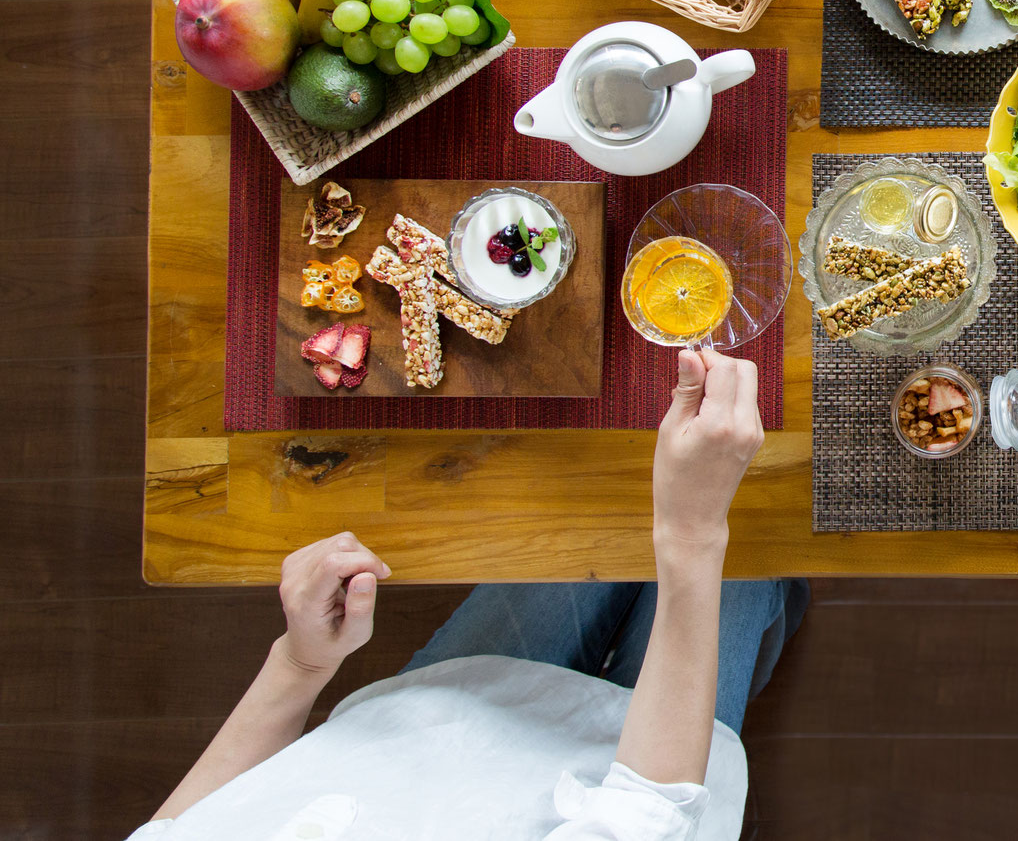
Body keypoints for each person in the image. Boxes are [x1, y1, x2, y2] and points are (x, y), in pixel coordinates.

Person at [133, 350, 804, 839]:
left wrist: (299, 663)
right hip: (650, 780)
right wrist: (690, 533)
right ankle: (781, 600)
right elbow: (648, 813)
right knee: (748, 559)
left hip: (449, 710)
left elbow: (183, 827)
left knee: (605, 514)